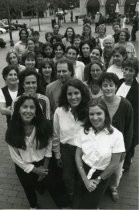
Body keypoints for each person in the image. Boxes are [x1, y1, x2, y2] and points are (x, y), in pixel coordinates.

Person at [74, 99, 125, 209]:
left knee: (90, 204)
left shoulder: (117, 135)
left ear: (105, 114)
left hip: (102, 174)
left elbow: (115, 163)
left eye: (99, 113)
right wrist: (85, 179)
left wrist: (97, 181)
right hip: (83, 170)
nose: (95, 117)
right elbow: (78, 155)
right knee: (79, 199)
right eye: (91, 114)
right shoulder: (84, 130)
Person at [6, 95, 53, 208]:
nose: (28, 111)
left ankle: (40, 188)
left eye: (32, 107)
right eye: (24, 107)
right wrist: (37, 171)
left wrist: (44, 169)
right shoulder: (12, 130)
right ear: (18, 110)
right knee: (28, 188)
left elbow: (49, 148)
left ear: (36, 110)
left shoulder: (45, 125)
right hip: (23, 167)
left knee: (41, 185)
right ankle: (33, 206)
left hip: (43, 163)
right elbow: (15, 158)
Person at [53, 79, 90, 206]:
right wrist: (57, 154)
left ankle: (79, 198)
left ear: (82, 93)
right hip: (66, 150)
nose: (73, 97)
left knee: (82, 176)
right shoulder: (59, 111)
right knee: (67, 177)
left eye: (76, 93)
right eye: (69, 94)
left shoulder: (90, 110)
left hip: (84, 150)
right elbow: (56, 134)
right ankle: (71, 195)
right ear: (65, 95)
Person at [98, 72, 133, 202]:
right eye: (105, 85)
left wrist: (125, 150)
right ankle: (100, 189)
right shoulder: (96, 103)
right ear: (101, 87)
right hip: (100, 147)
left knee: (117, 172)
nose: (108, 88)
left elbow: (129, 130)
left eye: (111, 85)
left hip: (119, 148)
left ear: (116, 87)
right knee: (100, 170)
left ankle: (113, 188)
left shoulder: (126, 105)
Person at [116, 57, 139, 171]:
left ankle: (126, 164)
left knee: (127, 145)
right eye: (125, 69)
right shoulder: (119, 82)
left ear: (135, 73)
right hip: (116, 120)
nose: (127, 72)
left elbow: (136, 113)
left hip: (129, 122)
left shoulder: (137, 89)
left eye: (131, 70)